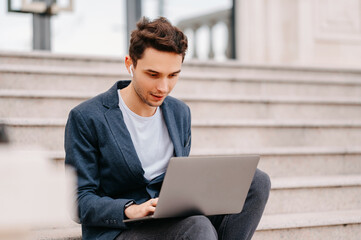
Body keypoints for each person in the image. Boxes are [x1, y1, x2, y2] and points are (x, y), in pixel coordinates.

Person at [65, 17, 271, 240]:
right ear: (129, 64)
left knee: (256, 181)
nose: (163, 87)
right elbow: (79, 200)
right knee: (198, 228)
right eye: (153, 75)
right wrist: (130, 209)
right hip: (122, 228)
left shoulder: (179, 112)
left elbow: (179, 179)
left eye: (173, 75)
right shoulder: (87, 117)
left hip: (170, 217)